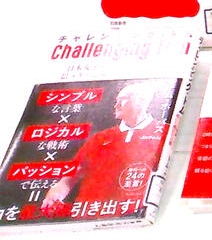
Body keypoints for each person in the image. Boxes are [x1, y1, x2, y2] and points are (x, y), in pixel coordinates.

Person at [40, 82, 167, 218]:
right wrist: (55, 195)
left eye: (123, 99)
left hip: (133, 216)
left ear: (141, 102)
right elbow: (68, 179)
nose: (116, 105)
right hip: (87, 216)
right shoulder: (99, 138)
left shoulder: (165, 132)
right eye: (117, 100)